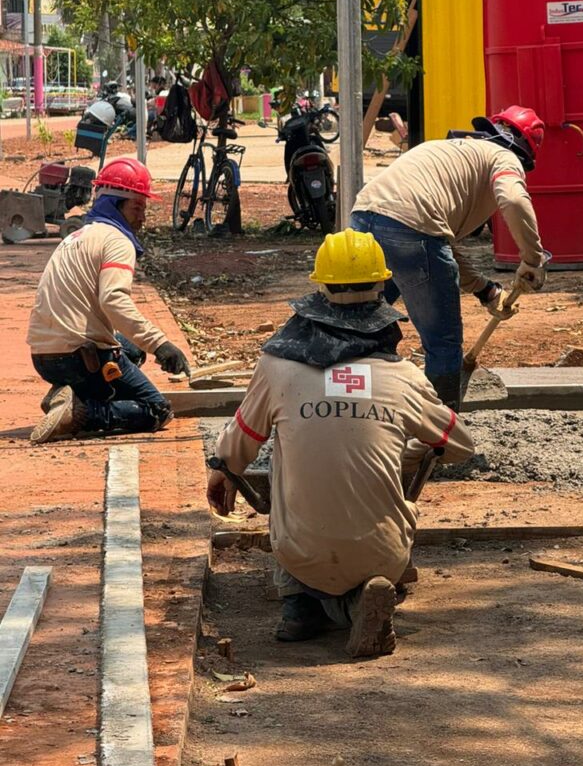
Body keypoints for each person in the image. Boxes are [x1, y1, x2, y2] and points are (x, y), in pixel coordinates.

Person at [207, 229, 474, 658]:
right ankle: (361, 599)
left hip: (299, 551)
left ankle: (299, 606)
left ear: (321, 288)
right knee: (402, 464)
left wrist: (220, 469)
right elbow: (459, 445)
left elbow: (235, 448)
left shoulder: (278, 367)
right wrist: (411, 451)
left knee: (283, 462)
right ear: (382, 288)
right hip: (383, 551)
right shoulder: (402, 377)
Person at [350, 106, 548, 410]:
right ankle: (440, 436)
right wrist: (533, 259)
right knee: (443, 343)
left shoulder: (455, 154)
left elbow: (434, 244)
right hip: (410, 230)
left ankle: (346, 408)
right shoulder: (503, 158)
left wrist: (485, 290)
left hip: (364, 218)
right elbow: (512, 198)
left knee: (357, 322)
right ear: (524, 152)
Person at [27, 157, 190, 444]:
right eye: (137, 207)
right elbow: (114, 301)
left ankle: (68, 393)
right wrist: (161, 345)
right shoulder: (117, 241)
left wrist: (145, 346)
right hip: (79, 356)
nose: (142, 217)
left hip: (45, 357)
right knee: (156, 410)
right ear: (115, 205)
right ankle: (82, 411)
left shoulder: (77, 236)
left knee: (133, 351)